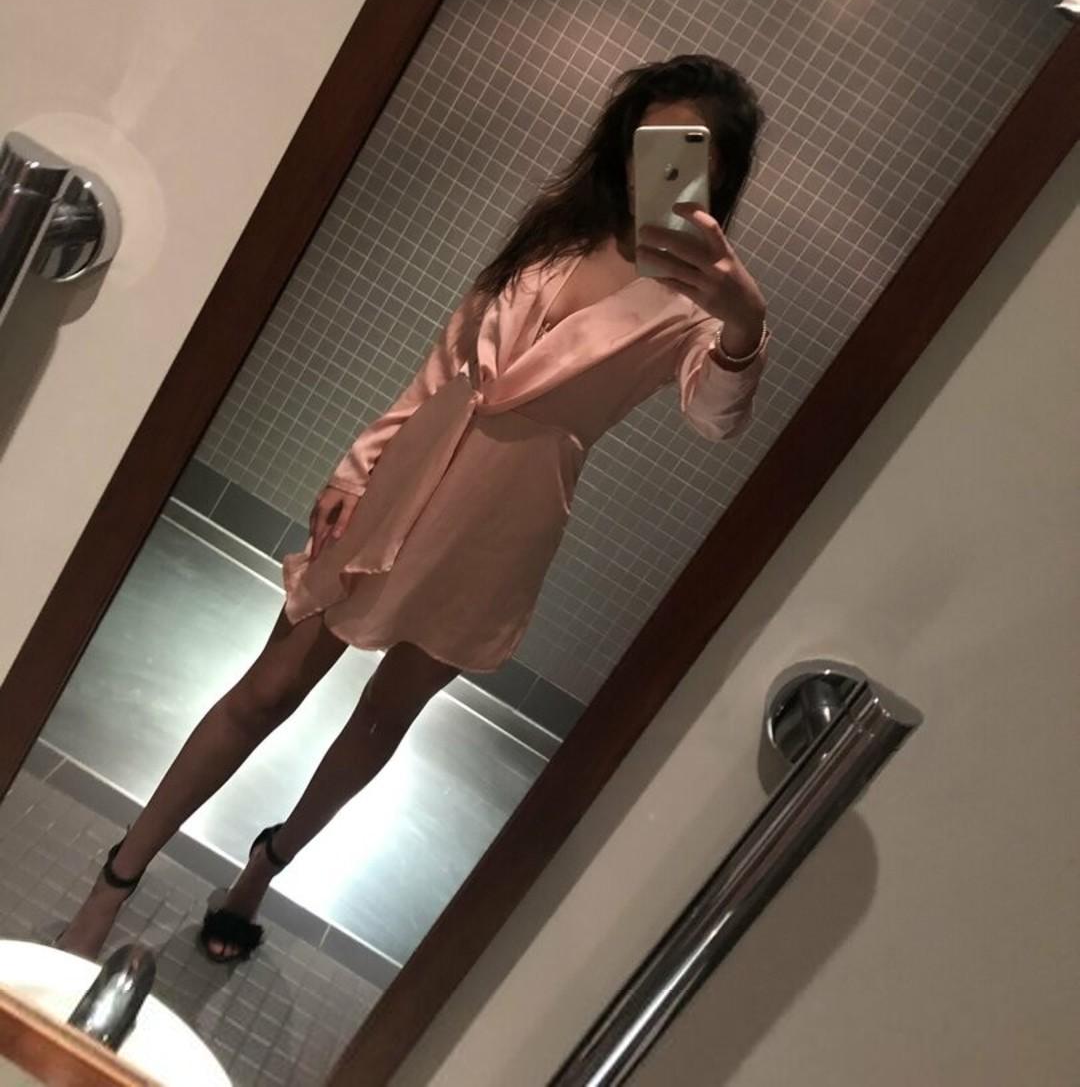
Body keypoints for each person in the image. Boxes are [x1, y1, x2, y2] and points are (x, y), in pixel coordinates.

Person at [57, 53, 771, 963]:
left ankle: (264, 866)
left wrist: (744, 320)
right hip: (404, 480)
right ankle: (116, 878)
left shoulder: (703, 304)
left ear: (718, 169)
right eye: (646, 142)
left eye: (684, 150)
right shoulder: (561, 226)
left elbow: (716, 418)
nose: (652, 170)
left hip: (501, 531)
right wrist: (356, 467)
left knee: (381, 719)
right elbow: (446, 361)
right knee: (266, 689)